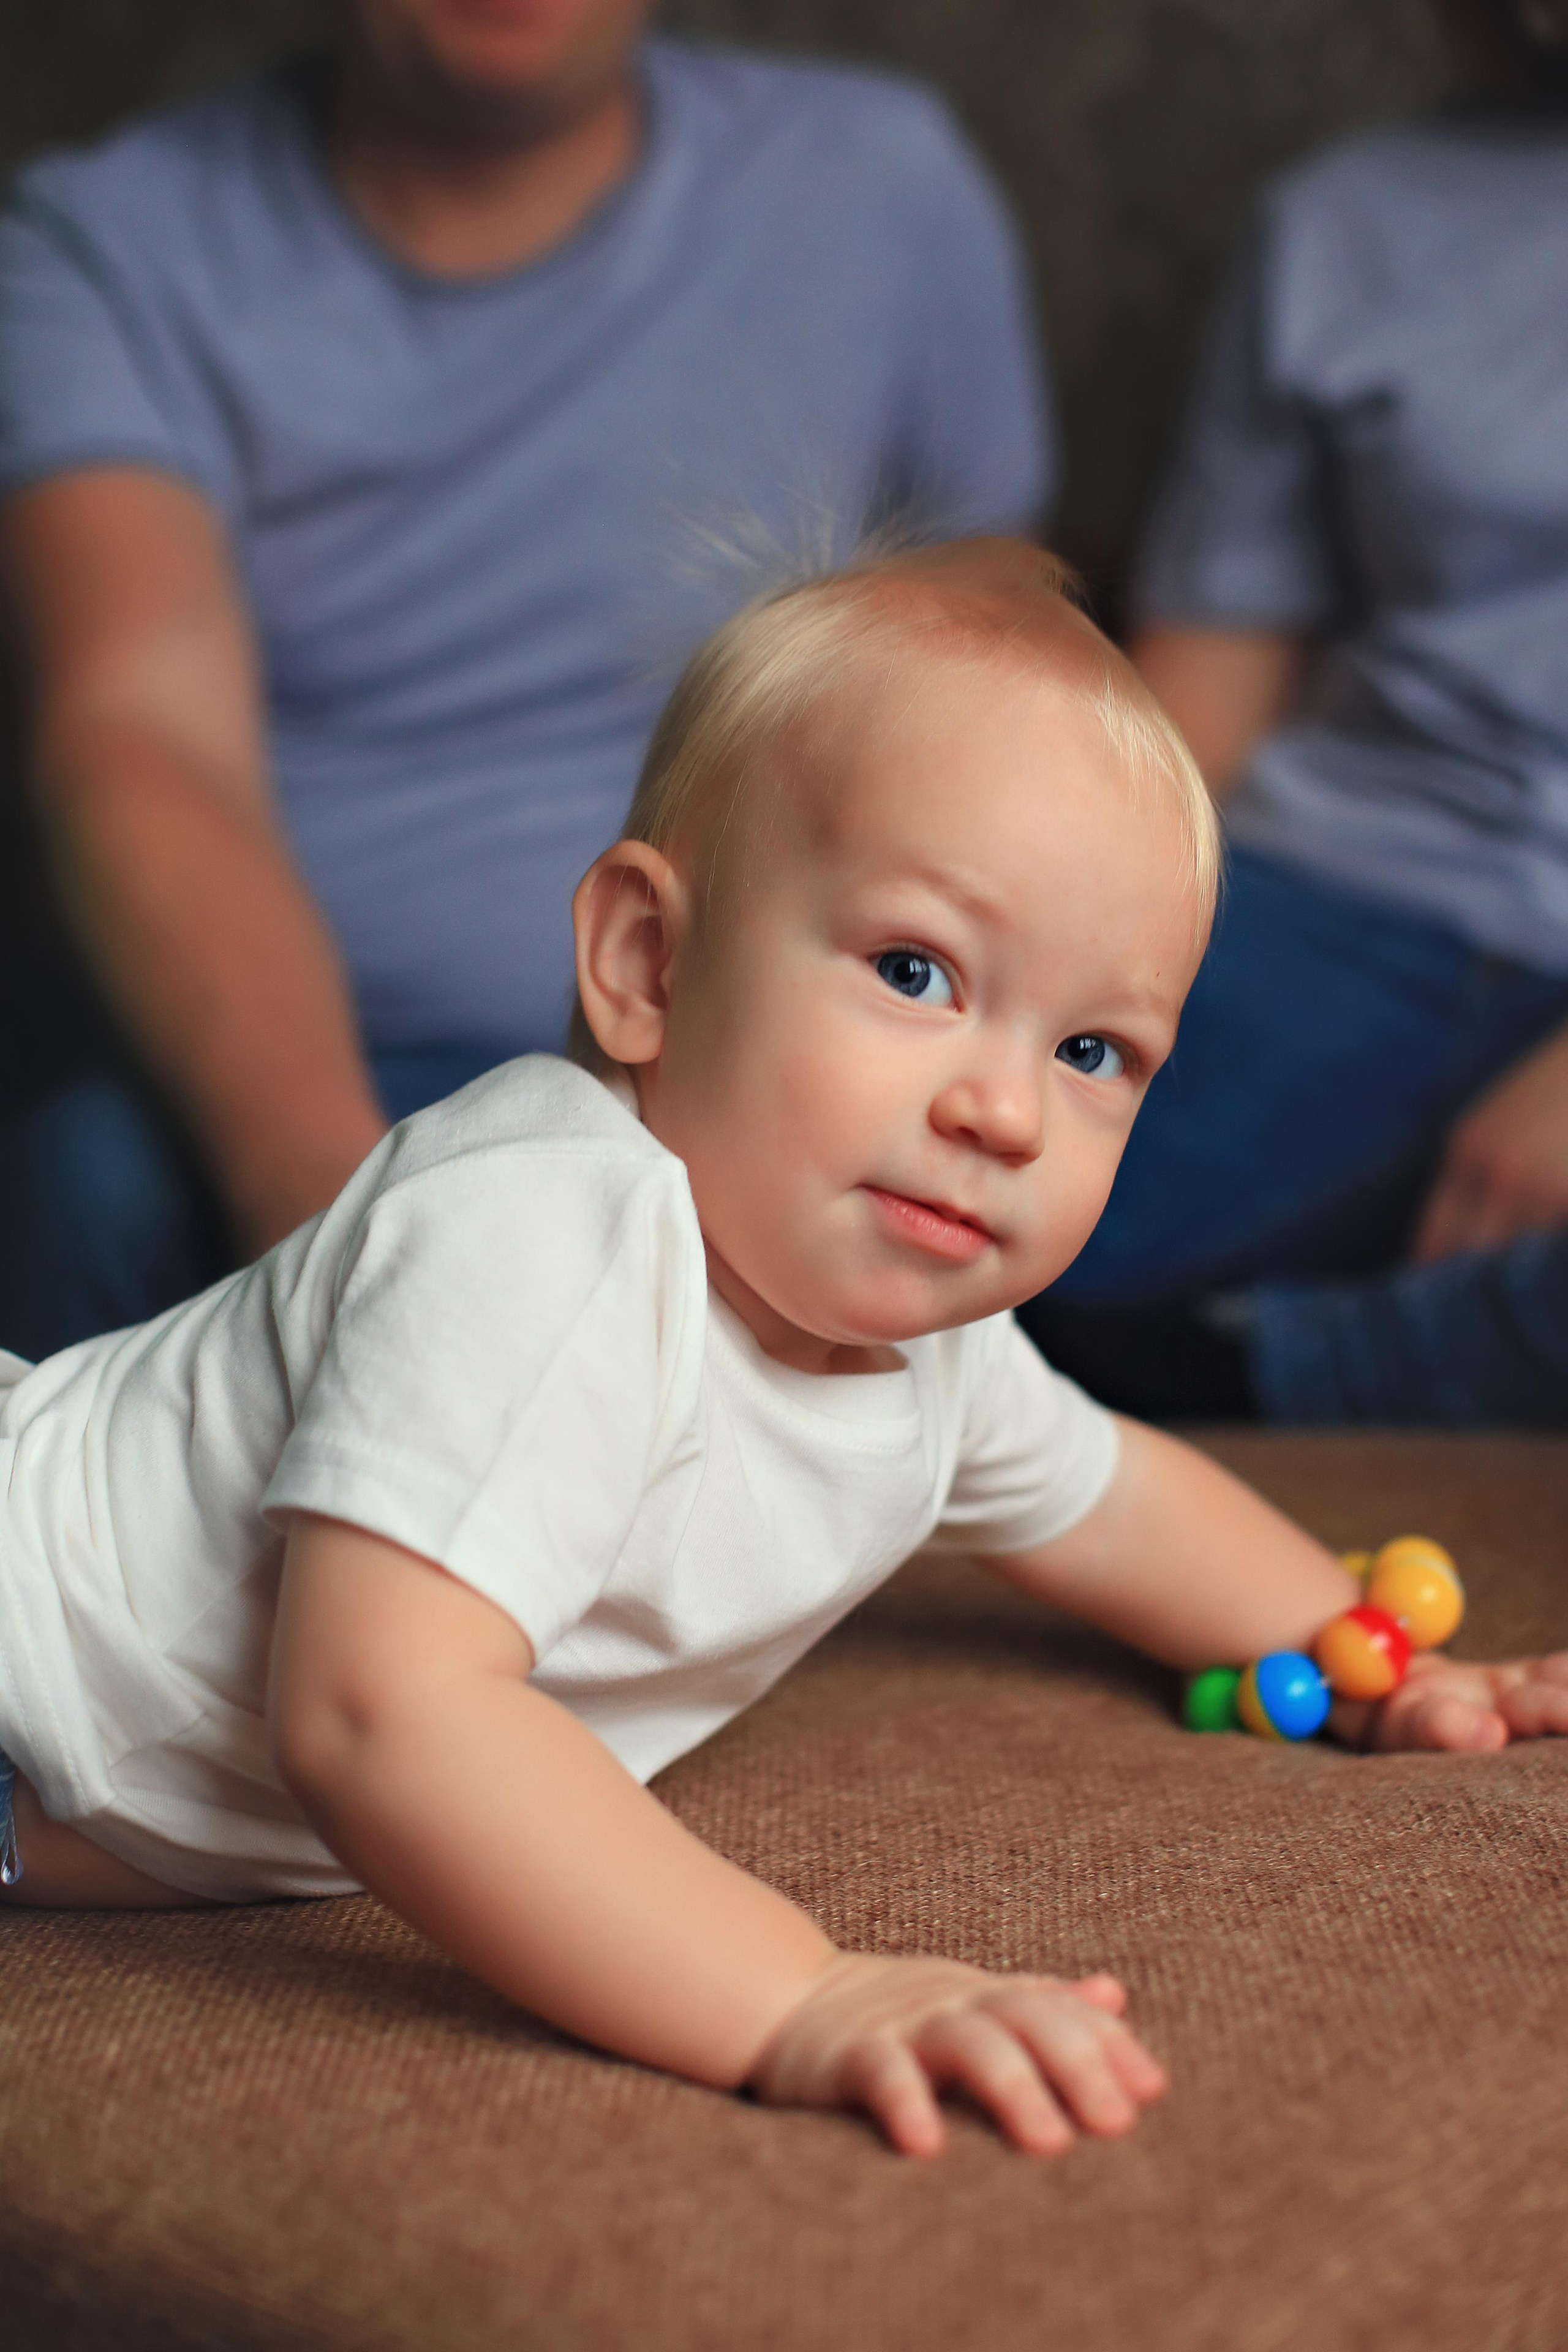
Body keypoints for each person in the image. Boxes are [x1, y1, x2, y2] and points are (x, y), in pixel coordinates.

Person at [5, 541, 1567, 2163]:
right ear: (648, 965)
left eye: (1094, 1050)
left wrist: (1360, 1645)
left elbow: (1114, 1500)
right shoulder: (546, 1231)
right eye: (916, 973)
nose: (1005, 1109)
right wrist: (797, 1994)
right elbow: (379, 1717)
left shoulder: (925, 1345)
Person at [0, 0, 1050, 1360]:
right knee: (91, 1180)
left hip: (750, 1067)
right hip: (316, 1085)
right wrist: (348, 1230)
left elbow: (997, 684)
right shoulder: (99, 249)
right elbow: (138, 731)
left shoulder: (884, 188)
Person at [1020, 0, 1568, 1422]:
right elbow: (1199, 700)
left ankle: (1247, 1372)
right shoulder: (1343, 223)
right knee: (928, 1159)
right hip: (1336, 892)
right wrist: (1031, 955)